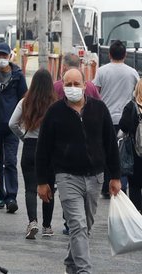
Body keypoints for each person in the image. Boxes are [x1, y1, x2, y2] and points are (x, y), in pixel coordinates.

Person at [36, 68, 121, 274]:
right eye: (68, 85)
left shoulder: (99, 109)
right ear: (62, 87)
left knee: (85, 227)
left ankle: (71, 264)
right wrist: (42, 181)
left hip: (95, 177)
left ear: (85, 85)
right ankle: (84, 271)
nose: (73, 88)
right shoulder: (54, 112)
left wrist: (115, 176)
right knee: (78, 224)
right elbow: (43, 149)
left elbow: (110, 143)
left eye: (76, 84)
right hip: (67, 177)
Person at [9, 69, 56, 239]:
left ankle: (32, 222)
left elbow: (12, 123)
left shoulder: (25, 102)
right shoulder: (55, 104)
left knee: (30, 188)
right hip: (50, 150)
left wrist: (23, 136)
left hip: (29, 147)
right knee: (49, 187)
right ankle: (47, 226)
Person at [0, 42, 28, 213]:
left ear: (9, 57)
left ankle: (12, 197)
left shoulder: (17, 75)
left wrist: (23, 119)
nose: (1, 59)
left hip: (11, 126)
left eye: (4, 56)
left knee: (10, 161)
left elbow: (24, 97)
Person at [93, 40, 139, 197]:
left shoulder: (101, 71)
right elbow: (137, 93)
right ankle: (122, 183)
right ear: (125, 55)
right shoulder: (132, 72)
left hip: (106, 118)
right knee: (124, 152)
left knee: (106, 151)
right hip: (127, 120)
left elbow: (95, 92)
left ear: (109, 54)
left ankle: (107, 186)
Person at [119, 79, 142, 212]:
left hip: (135, 152)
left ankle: (137, 213)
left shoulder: (131, 106)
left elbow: (123, 125)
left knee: (134, 185)